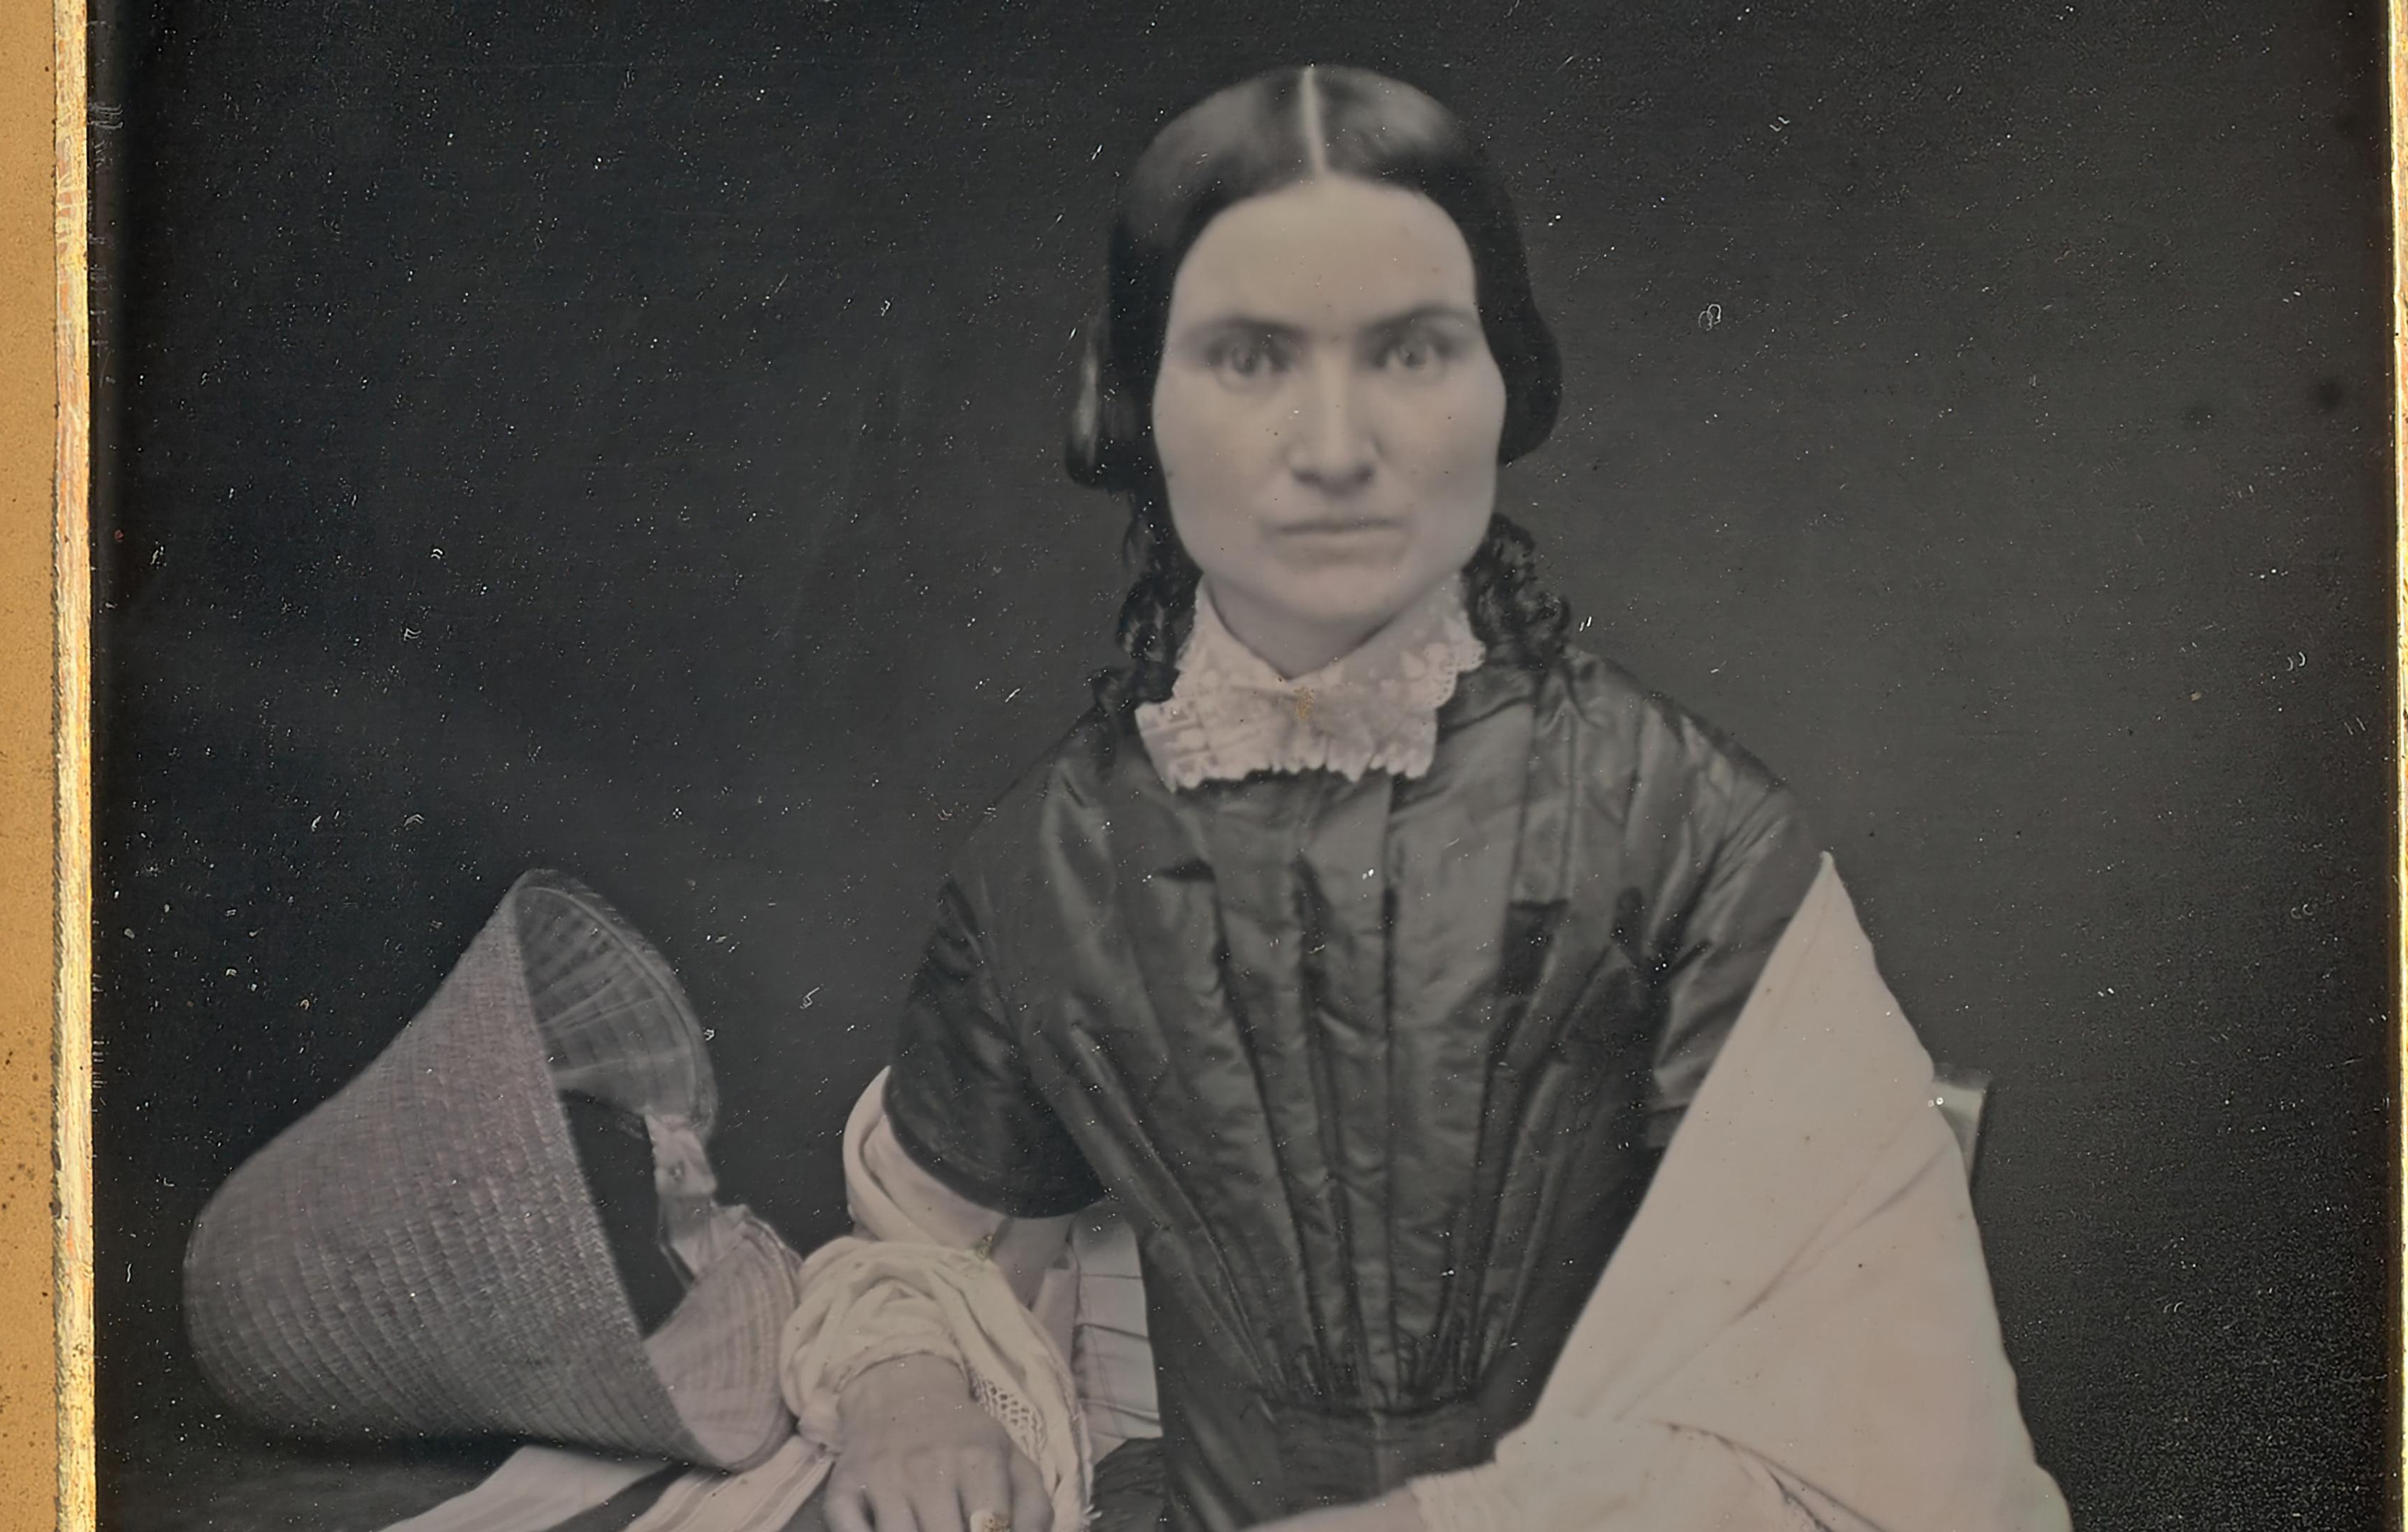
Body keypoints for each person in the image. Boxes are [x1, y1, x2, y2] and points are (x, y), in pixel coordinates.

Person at [796, 64, 2066, 1532]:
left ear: (1500, 383)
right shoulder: (1051, 860)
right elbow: (929, 1248)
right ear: (1134, 399)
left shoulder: (1693, 833)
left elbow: (1869, 1410)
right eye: (1251, 358)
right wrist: (910, 1390)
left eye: (1408, 353)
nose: (1336, 449)